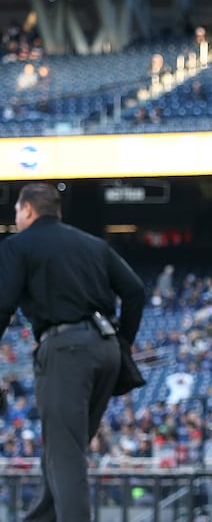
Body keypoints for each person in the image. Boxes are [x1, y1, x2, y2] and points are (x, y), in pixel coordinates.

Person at [0, 182, 146, 521]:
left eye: (17, 211)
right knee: (61, 452)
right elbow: (135, 290)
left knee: (66, 458)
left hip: (66, 351)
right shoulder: (92, 244)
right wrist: (122, 342)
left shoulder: (17, 245)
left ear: (28, 210)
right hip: (107, 351)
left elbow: (3, 304)